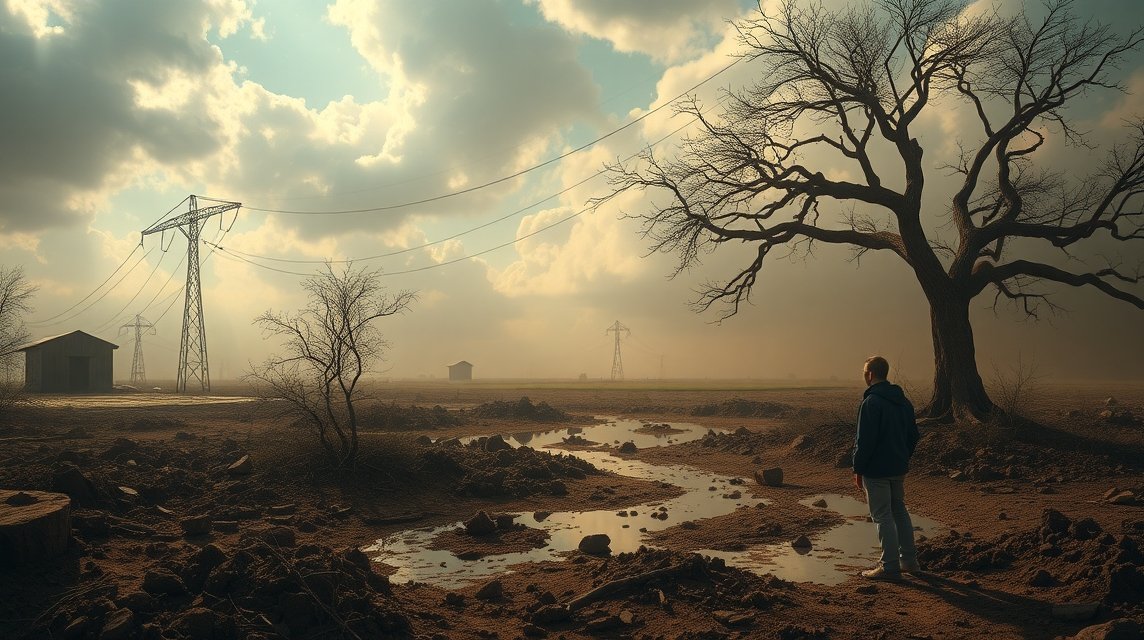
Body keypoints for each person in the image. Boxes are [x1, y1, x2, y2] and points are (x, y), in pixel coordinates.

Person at [853, 355, 920, 580]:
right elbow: (913, 435)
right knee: (899, 511)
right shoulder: (903, 401)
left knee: (882, 516)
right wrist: (902, 456)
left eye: (864, 373)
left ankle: (890, 566)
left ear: (870, 375)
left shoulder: (871, 403)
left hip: (876, 470)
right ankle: (909, 561)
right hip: (898, 467)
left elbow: (864, 442)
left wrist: (858, 468)